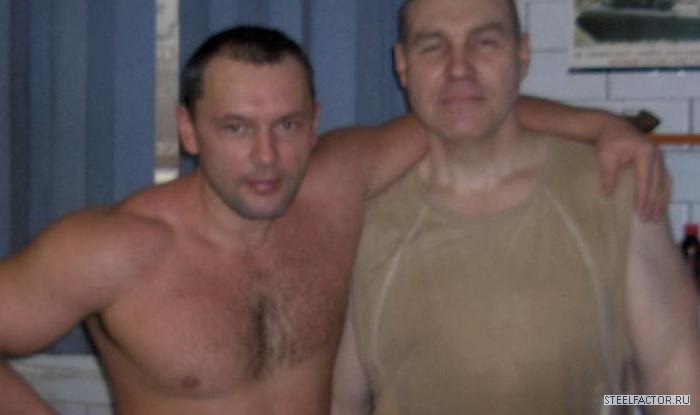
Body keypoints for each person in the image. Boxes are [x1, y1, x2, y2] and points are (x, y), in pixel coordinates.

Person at [0, 25, 669, 415]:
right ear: (189, 129)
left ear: (315, 122)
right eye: (236, 127)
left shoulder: (337, 185)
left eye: (288, 125)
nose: (267, 157)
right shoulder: (114, 250)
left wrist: (603, 126)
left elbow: (462, 118)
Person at [331, 1, 700, 414]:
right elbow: (343, 402)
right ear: (403, 66)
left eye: (485, 43)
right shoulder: (361, 219)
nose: (459, 68)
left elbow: (674, 386)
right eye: (434, 47)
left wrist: (613, 399)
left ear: (522, 55)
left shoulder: (613, 190)